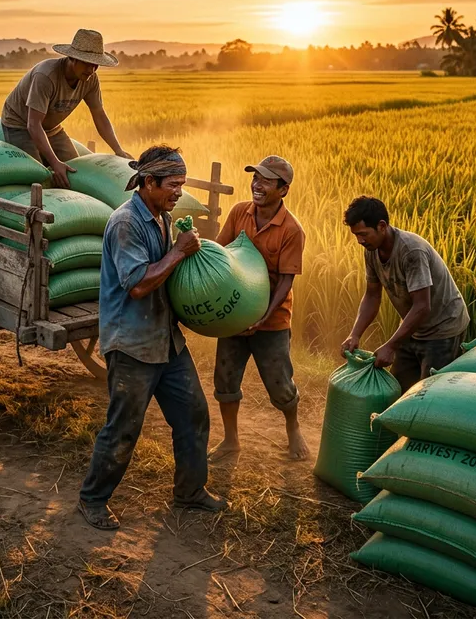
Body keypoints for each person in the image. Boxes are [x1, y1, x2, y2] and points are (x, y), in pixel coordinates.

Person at [79, 145, 226, 530]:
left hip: (165, 338)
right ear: (148, 182)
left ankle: (190, 492)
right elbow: (139, 286)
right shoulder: (126, 222)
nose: (179, 192)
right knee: (124, 426)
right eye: (173, 185)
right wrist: (179, 252)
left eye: (182, 184)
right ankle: (92, 499)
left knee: (194, 414)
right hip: (132, 343)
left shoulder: (162, 216)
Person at [209, 156, 309, 462]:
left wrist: (263, 316)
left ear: (284, 189)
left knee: (280, 384)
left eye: (266, 180)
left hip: (272, 321)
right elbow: (220, 250)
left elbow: (286, 281)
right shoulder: (240, 212)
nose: (257, 185)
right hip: (235, 314)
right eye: (256, 178)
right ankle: (231, 440)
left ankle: (293, 430)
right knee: (225, 380)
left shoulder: (291, 230)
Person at [341, 195, 469, 393]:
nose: (359, 240)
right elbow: (372, 296)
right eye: (356, 235)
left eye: (363, 234)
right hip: (414, 326)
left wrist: (391, 346)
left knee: (429, 395)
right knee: (398, 391)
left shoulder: (411, 251)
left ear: (382, 226)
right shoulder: (372, 250)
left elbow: (422, 306)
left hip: (443, 328)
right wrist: (355, 334)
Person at [1, 28, 132, 188]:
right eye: (86, 64)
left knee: (74, 172)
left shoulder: (90, 79)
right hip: (20, 124)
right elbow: (33, 124)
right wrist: (54, 162)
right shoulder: (46, 76)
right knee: (37, 177)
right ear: (72, 58)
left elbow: (99, 115)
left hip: (52, 128)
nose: (91, 70)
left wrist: (118, 150)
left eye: (95, 65)